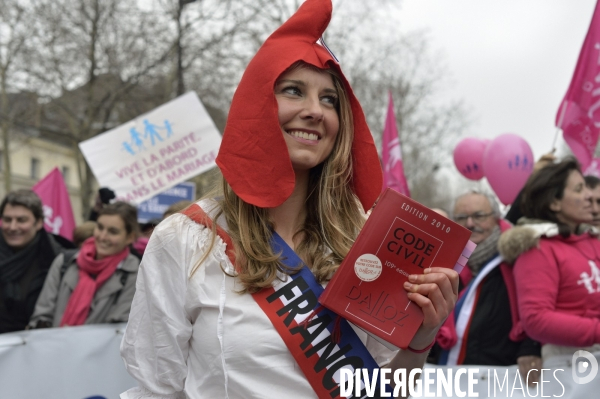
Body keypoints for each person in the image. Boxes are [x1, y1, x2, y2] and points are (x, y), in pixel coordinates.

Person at [120, 1, 458, 397]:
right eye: (294, 91)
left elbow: (387, 391)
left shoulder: (368, 244)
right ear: (255, 105)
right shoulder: (187, 239)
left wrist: (424, 334)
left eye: (330, 99)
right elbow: (155, 387)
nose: (315, 111)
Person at [499, 157, 600, 362]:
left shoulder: (592, 240)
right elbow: (536, 319)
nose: (590, 196)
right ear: (554, 202)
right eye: (579, 189)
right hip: (571, 369)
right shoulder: (538, 249)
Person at [433, 190, 541, 381]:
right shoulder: (441, 262)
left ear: (496, 218)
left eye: (479, 216)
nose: (470, 224)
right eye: (461, 217)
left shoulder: (519, 256)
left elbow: (540, 306)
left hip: (502, 374)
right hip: (450, 376)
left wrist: (531, 347)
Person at [28, 202, 139, 328]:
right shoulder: (65, 262)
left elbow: (118, 329)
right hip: (54, 345)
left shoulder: (134, 275)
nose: (102, 237)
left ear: (130, 237)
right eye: (100, 227)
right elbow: (42, 315)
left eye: (112, 232)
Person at [0, 189, 68, 333]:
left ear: (38, 223)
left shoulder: (59, 261)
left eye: (21, 220)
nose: (12, 227)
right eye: (7, 220)